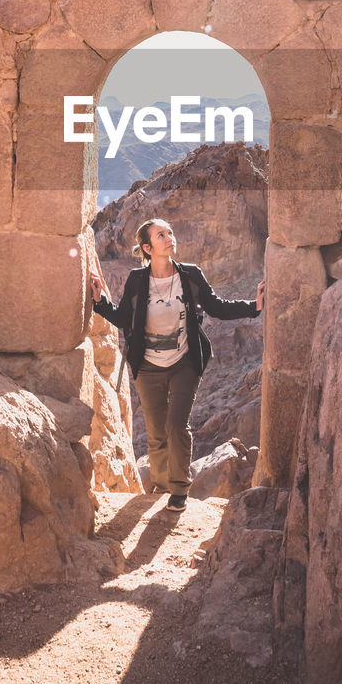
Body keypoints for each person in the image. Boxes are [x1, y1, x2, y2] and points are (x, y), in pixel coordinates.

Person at [90, 218, 265, 513]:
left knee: (177, 426)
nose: (170, 237)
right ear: (147, 247)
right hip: (148, 367)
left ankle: (179, 489)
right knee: (156, 432)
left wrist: (254, 306)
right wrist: (99, 302)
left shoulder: (190, 275)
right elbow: (123, 319)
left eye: (170, 232)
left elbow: (216, 306)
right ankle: (160, 483)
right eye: (161, 235)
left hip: (185, 363)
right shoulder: (136, 280)